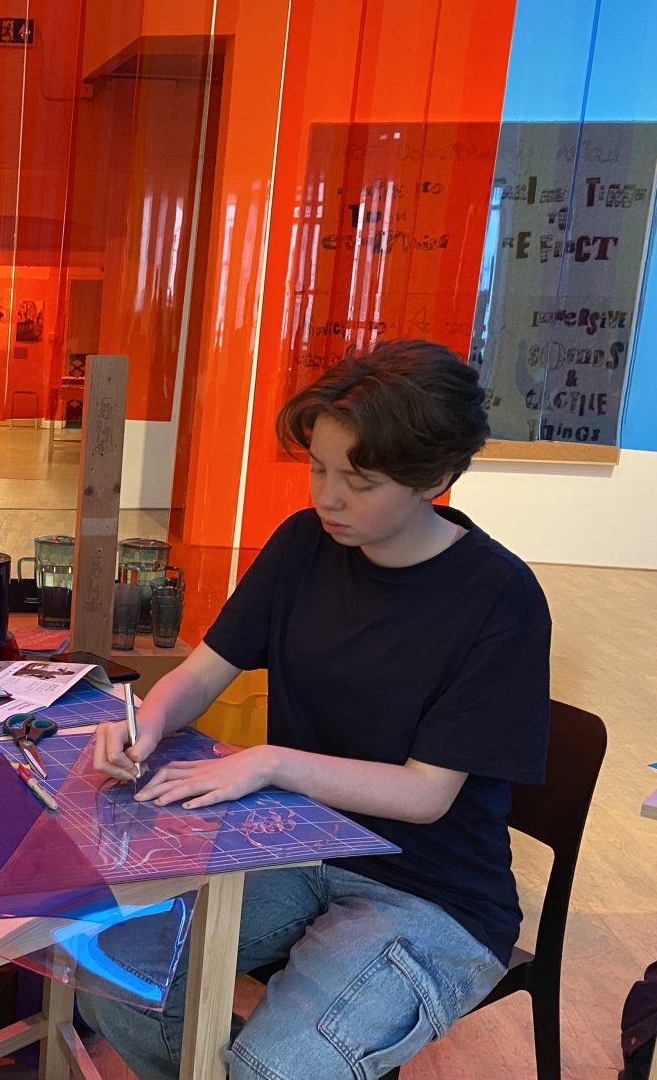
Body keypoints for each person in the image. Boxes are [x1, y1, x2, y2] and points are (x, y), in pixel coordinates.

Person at [83, 340, 551, 1079]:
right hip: (294, 846)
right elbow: (204, 671)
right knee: (112, 972)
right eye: (318, 468)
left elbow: (426, 794)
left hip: (430, 892)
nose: (327, 497)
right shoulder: (305, 544)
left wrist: (270, 761)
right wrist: (147, 720)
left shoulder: (500, 598)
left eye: (358, 481)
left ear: (436, 477)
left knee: (271, 1069)